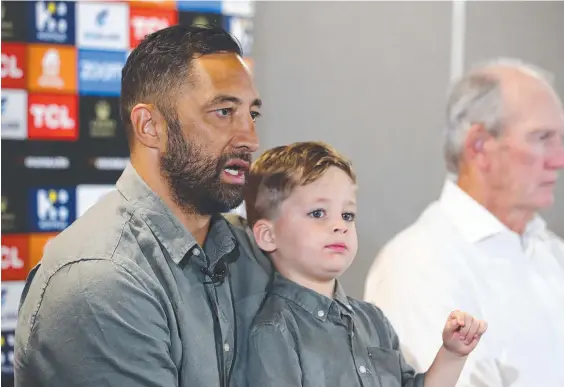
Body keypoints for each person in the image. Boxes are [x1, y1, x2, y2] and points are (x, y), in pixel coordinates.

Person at [14, 25, 272, 387]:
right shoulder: (100, 279)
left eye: (253, 115)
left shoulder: (247, 247)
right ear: (149, 126)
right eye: (224, 111)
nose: (250, 138)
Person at [364, 58, 564, 387]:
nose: (558, 159)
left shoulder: (550, 253)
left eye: (559, 138)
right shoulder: (419, 264)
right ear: (479, 146)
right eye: (542, 138)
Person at [243, 141, 488, 387]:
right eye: (318, 213)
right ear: (268, 235)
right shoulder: (274, 331)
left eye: (347, 215)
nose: (340, 225)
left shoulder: (373, 320)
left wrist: (452, 354)